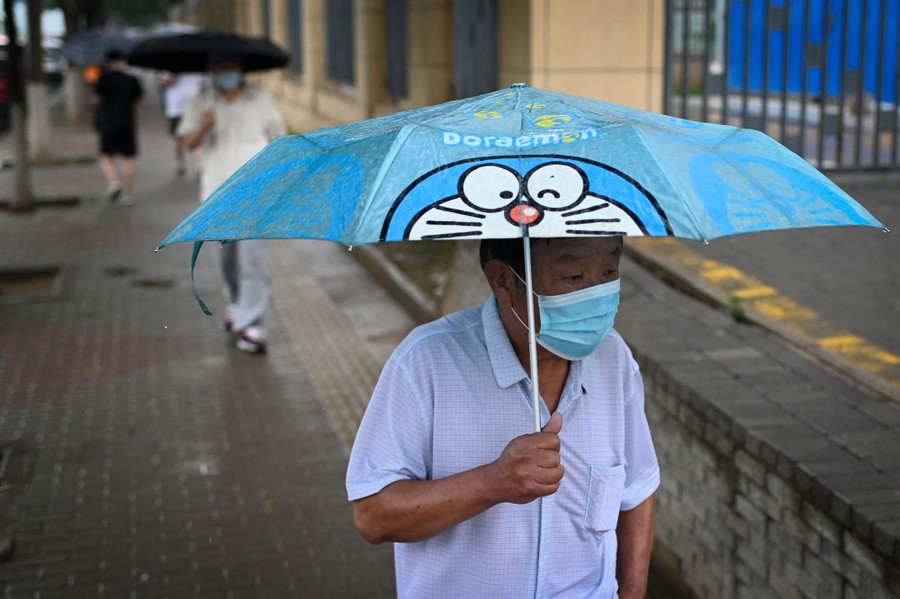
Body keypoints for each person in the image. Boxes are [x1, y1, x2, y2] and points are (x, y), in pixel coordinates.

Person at [346, 236, 659, 598]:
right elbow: (373, 516)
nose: (595, 294)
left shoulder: (613, 358)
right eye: (573, 276)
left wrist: (633, 591)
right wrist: (492, 482)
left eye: (609, 271)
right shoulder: (426, 363)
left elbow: (637, 489)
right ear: (503, 280)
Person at [177, 55, 286, 354]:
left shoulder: (260, 98)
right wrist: (204, 126)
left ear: (241, 67)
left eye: (232, 66)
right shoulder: (202, 100)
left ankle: (252, 325)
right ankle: (235, 302)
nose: (228, 72)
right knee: (226, 258)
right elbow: (188, 144)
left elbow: (279, 139)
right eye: (222, 67)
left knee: (253, 260)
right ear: (213, 70)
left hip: (256, 191)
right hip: (218, 192)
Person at [93, 50, 143, 205]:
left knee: (105, 155)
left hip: (107, 122)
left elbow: (96, 99)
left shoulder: (102, 79)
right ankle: (128, 195)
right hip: (127, 122)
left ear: (108, 62)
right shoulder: (132, 79)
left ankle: (114, 181)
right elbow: (140, 98)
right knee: (128, 158)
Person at [159, 71, 205, 177]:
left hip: (195, 107)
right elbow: (164, 83)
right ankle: (181, 165)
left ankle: (200, 166)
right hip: (176, 109)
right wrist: (174, 77)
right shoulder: (171, 66)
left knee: (197, 137)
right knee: (178, 139)